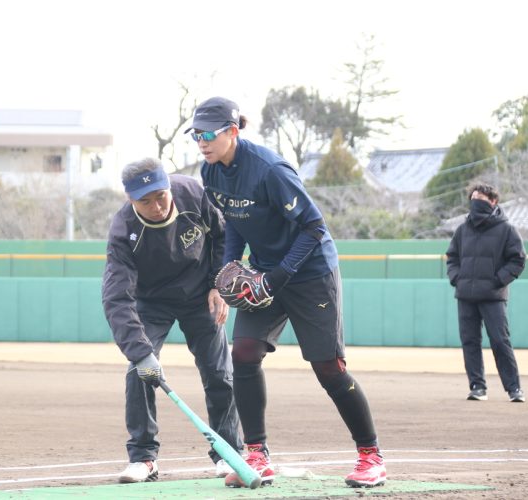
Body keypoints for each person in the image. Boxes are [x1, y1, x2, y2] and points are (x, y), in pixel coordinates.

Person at [185, 96, 387, 488]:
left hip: (310, 273)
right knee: (243, 353)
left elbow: (314, 227)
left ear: (233, 131)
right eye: (196, 135)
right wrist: (229, 267)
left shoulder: (270, 170)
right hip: (264, 272)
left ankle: (371, 456)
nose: (202, 142)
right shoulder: (210, 172)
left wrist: (276, 278)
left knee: (328, 368)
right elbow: (235, 223)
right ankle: (257, 455)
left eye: (209, 134)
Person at [102, 157, 242, 483]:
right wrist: (140, 353)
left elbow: (224, 238)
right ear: (130, 199)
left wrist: (217, 284)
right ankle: (143, 458)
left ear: (169, 185)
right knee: (139, 373)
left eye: (160, 195)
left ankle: (227, 453)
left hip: (200, 295)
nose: (156, 206)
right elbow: (117, 298)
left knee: (220, 372)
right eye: (144, 201)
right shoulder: (123, 231)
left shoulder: (192, 193)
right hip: (151, 303)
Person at [446, 183, 526, 403]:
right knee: (469, 342)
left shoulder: (506, 229)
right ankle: (477, 387)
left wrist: (498, 280)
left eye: (480, 197)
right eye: (473, 197)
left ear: (493, 201)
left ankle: (514, 389)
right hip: (466, 296)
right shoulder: (463, 229)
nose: (475, 200)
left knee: (500, 341)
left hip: (493, 296)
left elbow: (518, 259)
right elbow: (452, 257)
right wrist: (457, 278)